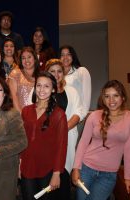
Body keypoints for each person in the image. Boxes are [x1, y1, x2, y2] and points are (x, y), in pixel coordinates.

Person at [72, 80, 130, 200]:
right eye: (107, 96)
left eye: (116, 96)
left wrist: (128, 177)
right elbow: (83, 143)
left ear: (123, 97)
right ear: (103, 99)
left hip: (108, 175)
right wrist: (76, 168)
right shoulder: (94, 116)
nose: (111, 100)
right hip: (86, 168)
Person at [20, 71, 68, 200]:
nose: (42, 89)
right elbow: (22, 140)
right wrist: (19, 163)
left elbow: (61, 146)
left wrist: (57, 173)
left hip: (47, 169)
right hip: (27, 167)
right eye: (39, 85)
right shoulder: (26, 111)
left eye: (47, 86)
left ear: (53, 89)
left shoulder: (59, 114)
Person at [45, 59, 83, 199]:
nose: (56, 74)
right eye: (52, 71)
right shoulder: (41, 89)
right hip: (46, 140)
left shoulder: (72, 91)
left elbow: (78, 113)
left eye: (59, 71)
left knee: (64, 175)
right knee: (48, 179)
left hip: (67, 137)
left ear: (63, 73)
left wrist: (62, 129)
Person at [59, 45, 91, 120]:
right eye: (62, 55)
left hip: (77, 116)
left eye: (68, 54)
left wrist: (81, 117)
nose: (65, 57)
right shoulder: (57, 75)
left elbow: (86, 97)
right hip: (62, 116)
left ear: (73, 56)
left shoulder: (81, 71)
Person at [8, 47, 39, 112]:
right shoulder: (15, 74)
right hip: (20, 116)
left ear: (35, 59)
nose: (26, 60)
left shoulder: (41, 76)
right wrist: (22, 117)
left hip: (37, 115)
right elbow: (14, 98)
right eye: (23, 58)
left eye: (29, 57)